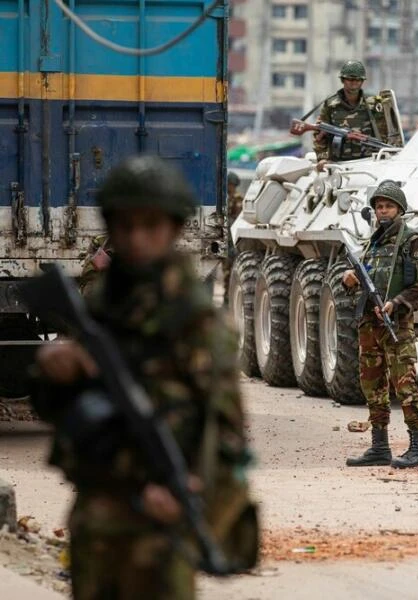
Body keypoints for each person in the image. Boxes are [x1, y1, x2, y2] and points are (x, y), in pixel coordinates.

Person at [30, 156, 258, 599]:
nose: (137, 239)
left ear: (173, 229)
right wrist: (55, 373)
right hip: (96, 517)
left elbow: (228, 439)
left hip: (160, 528)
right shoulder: (100, 307)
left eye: (150, 226)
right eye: (126, 226)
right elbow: (59, 413)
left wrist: (190, 496)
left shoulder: (194, 320)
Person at [342, 180, 418, 469]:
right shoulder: (372, 242)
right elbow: (364, 284)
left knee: (404, 383)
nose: (383, 211)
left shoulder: (411, 240)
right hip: (370, 324)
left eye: (388, 206)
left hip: (397, 324)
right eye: (379, 206)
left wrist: (396, 303)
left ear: (399, 209)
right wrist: (350, 281)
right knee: (372, 384)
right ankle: (379, 446)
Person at [313, 60, 390, 168]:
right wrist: (322, 158)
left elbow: (385, 132)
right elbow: (319, 134)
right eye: (350, 79)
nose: (354, 82)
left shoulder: (373, 104)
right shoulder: (331, 105)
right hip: (338, 165)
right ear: (343, 80)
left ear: (362, 81)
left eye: (358, 79)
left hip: (368, 163)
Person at [223, 170, 244, 305]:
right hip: (227, 241)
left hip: (233, 241)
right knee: (226, 271)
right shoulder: (225, 199)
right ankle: (226, 297)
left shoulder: (237, 199)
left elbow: (237, 223)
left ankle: (230, 299)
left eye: (229, 184)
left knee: (231, 272)